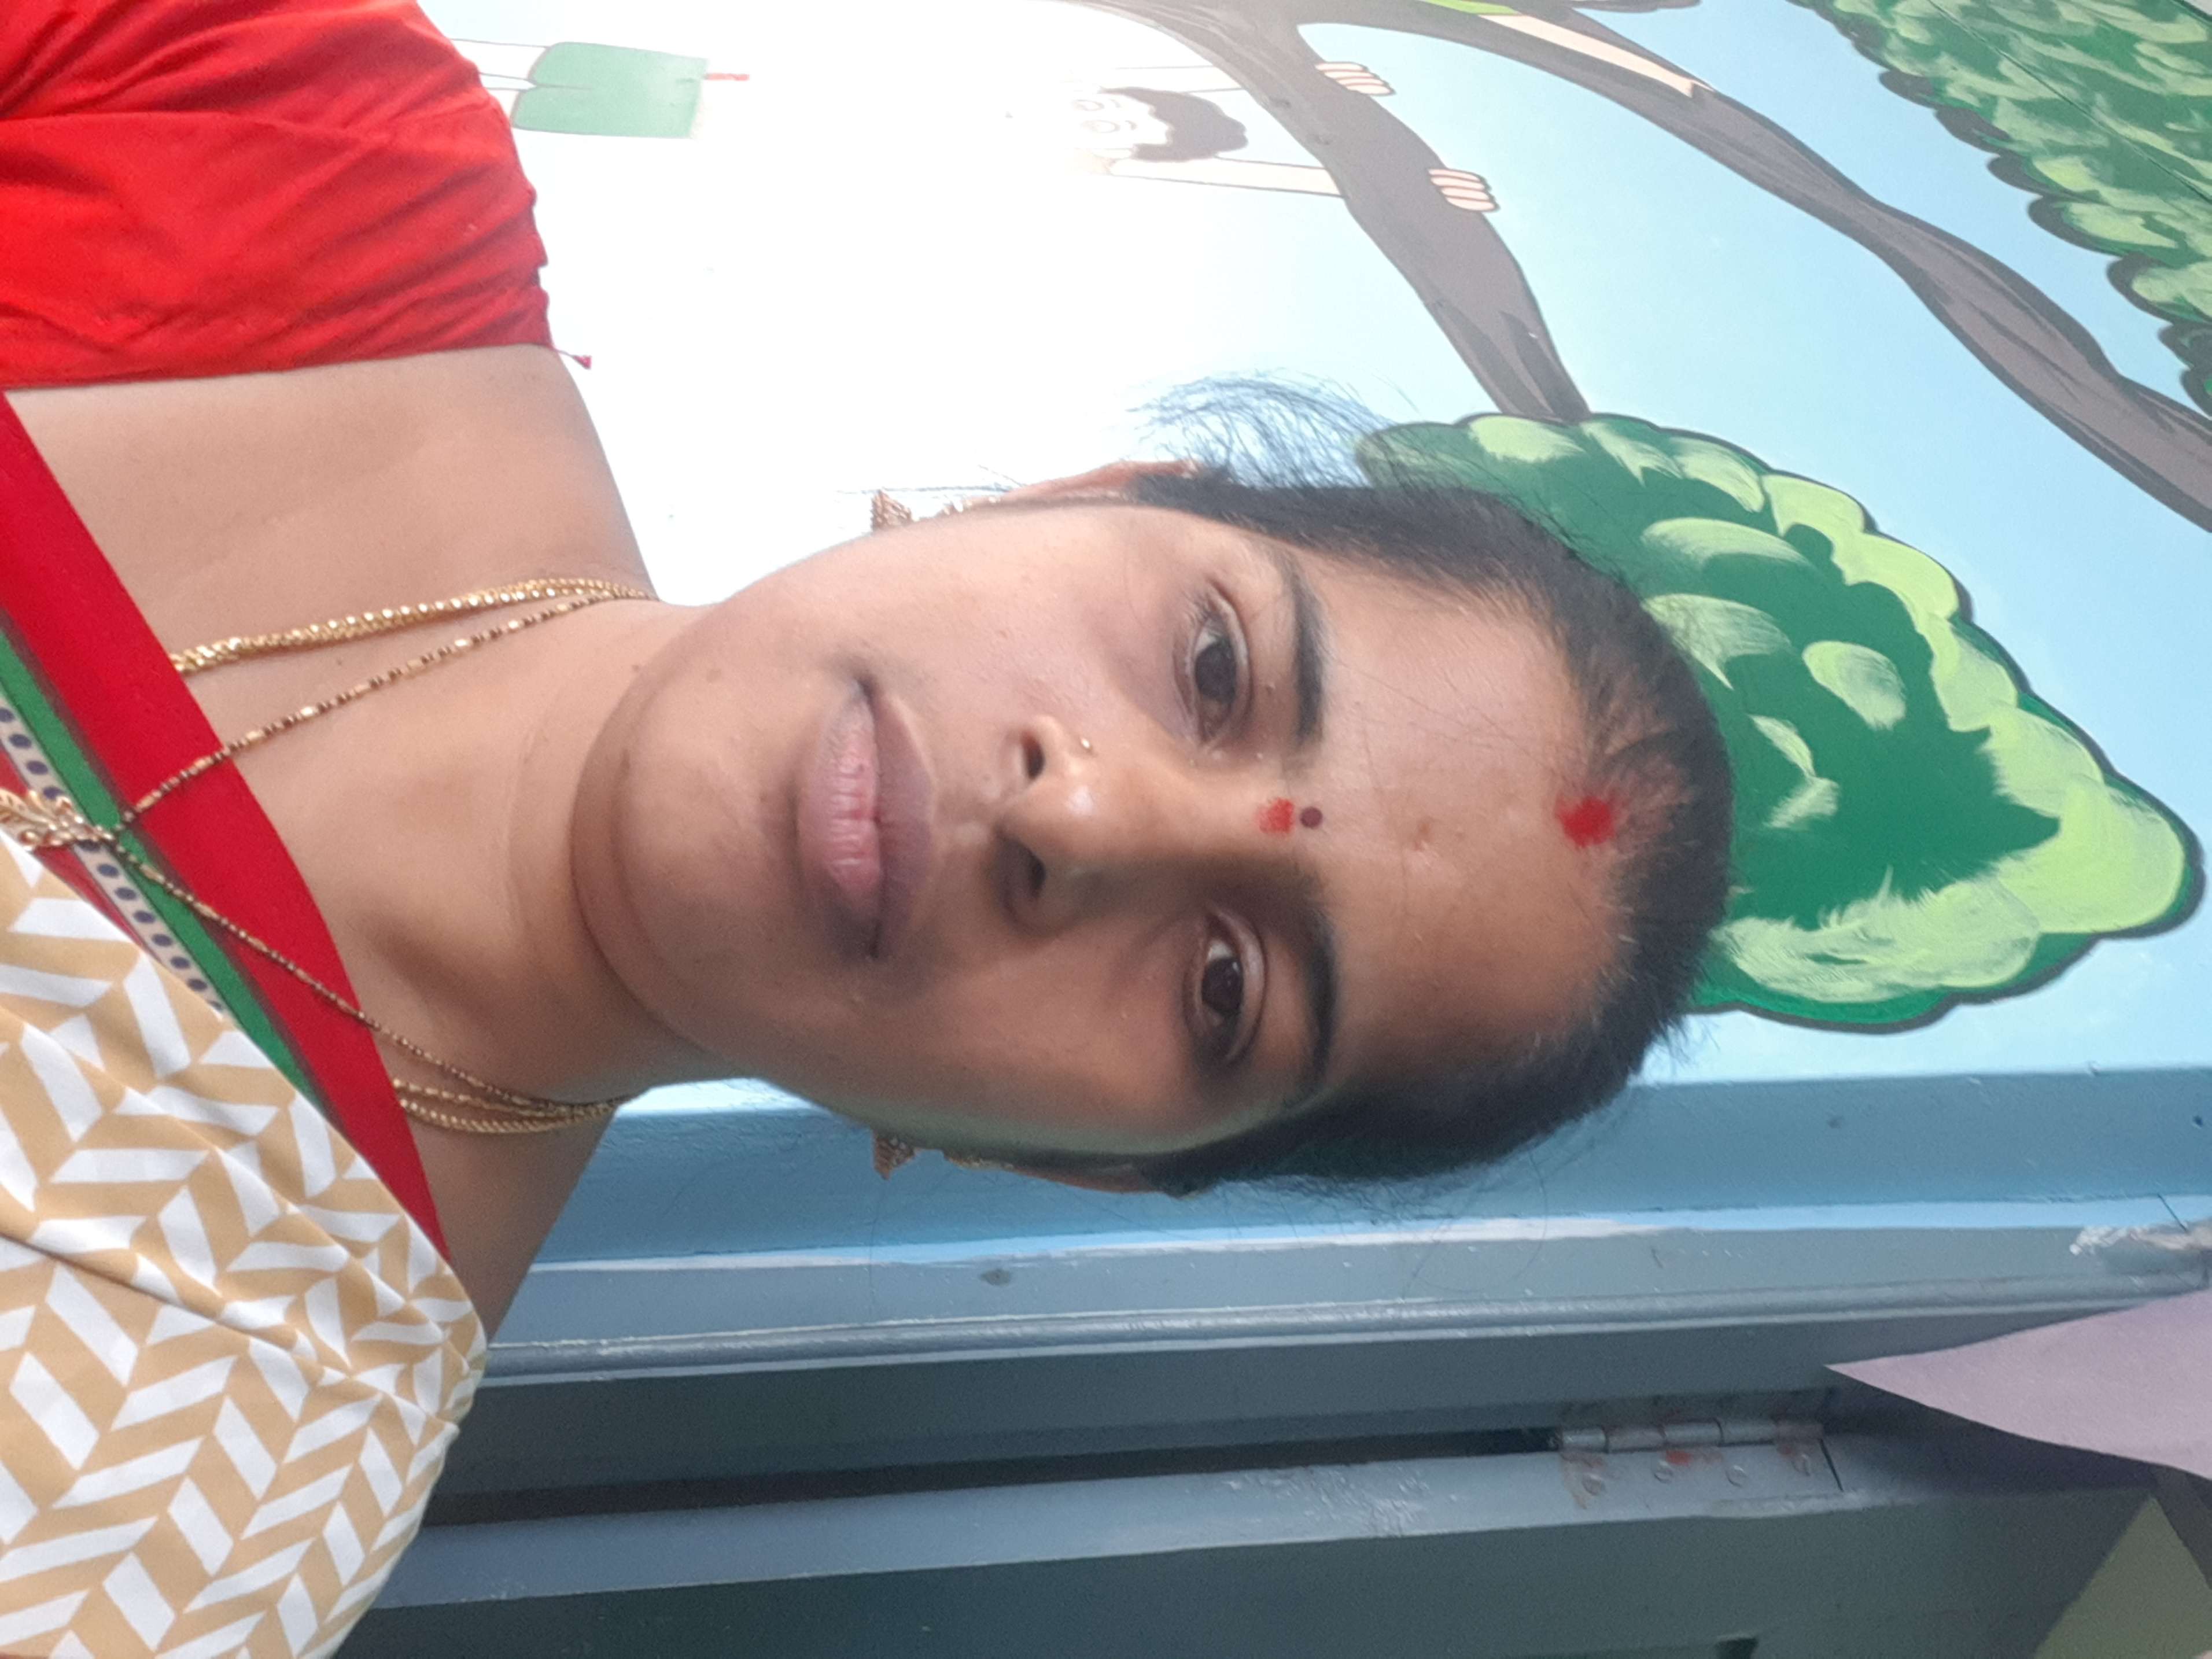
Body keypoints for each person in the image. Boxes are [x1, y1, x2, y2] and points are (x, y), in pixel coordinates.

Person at [0, 1, 1731, 1653]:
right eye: (1215, 665)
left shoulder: (185, 1481)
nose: (1084, 814)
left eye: (1226, 985)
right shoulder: (276, 121)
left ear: (1080, 1164)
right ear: (1087, 496)